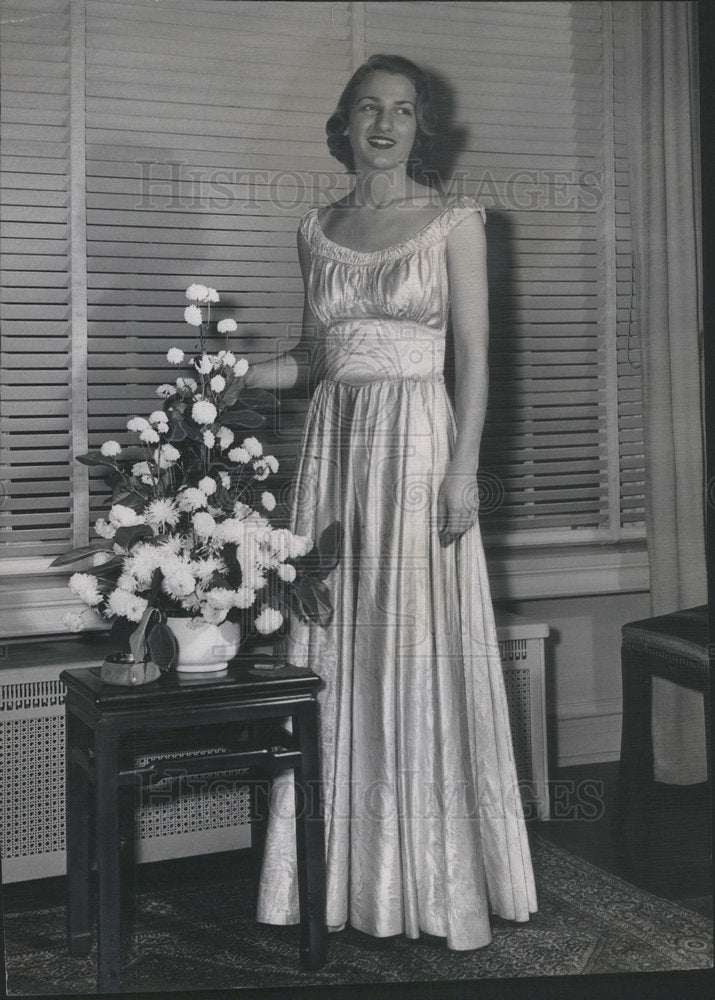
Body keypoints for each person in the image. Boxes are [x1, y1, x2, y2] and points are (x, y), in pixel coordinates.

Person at [238, 53, 537, 950]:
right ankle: (340, 882)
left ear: (419, 128)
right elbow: (313, 359)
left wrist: (460, 470)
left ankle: (431, 883)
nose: (383, 124)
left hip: (417, 446)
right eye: (368, 108)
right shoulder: (315, 228)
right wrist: (223, 372)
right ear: (344, 122)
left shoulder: (455, 221)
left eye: (402, 111)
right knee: (333, 644)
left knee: (410, 647)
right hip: (333, 455)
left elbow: (476, 362)